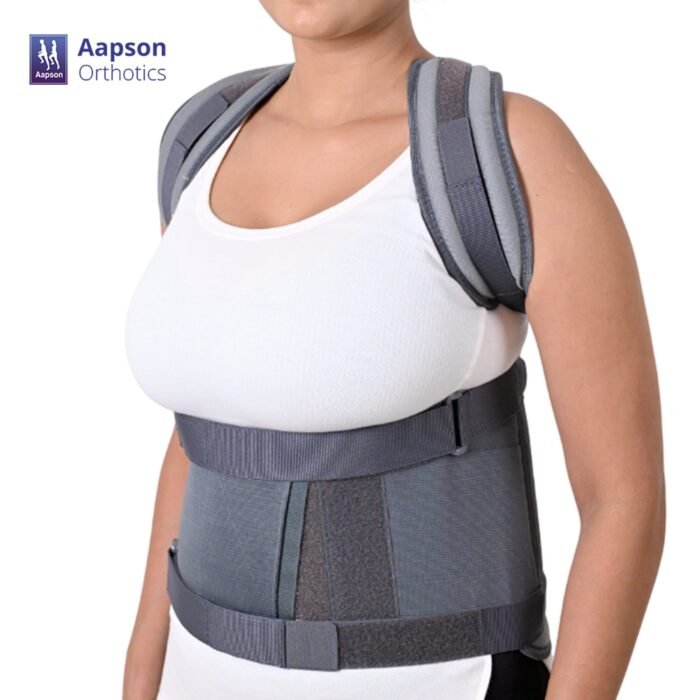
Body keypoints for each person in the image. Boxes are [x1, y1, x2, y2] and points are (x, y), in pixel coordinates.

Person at [122, 1, 665, 698]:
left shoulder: (501, 149)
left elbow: (624, 500)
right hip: (196, 672)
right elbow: (204, 433)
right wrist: (142, 670)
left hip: (444, 678)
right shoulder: (200, 140)